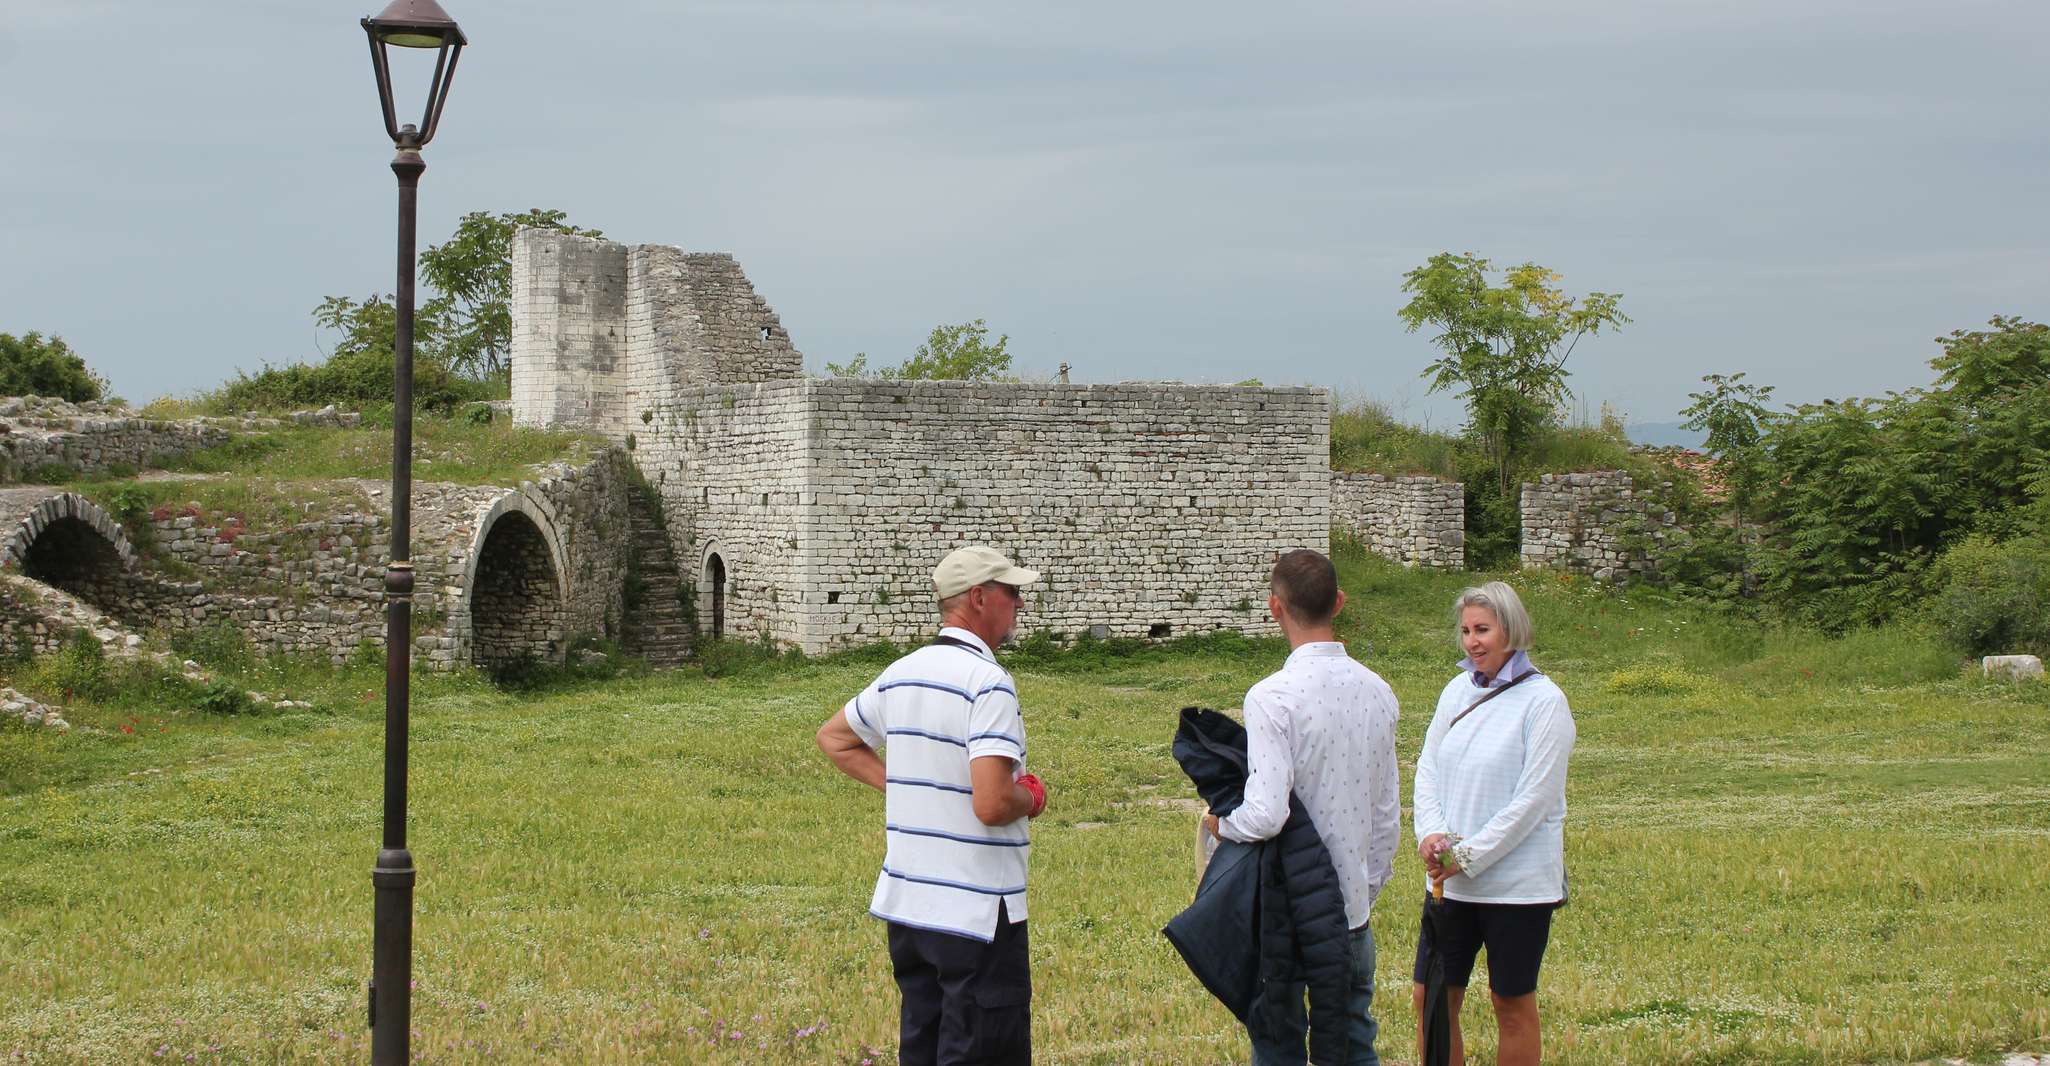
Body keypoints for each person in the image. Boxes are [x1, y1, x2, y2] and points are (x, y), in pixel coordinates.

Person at [815, 545, 1049, 1066]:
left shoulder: (901, 673)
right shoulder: (987, 683)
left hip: (910, 907)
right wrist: (1031, 797)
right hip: (979, 913)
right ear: (979, 598)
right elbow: (991, 803)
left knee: (922, 1047)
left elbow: (835, 739)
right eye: (1012, 592)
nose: (1020, 605)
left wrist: (909, 787)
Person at [1200, 548, 1402, 1065]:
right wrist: (1363, 890)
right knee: (1356, 1040)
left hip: (1284, 912)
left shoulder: (1272, 697)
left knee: (1278, 1042)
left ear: (1274, 608)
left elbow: (1267, 813)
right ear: (1338, 602)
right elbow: (1386, 815)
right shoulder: (1379, 692)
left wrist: (1223, 824)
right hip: (1351, 908)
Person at [1411, 581, 1576, 1066]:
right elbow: (1428, 768)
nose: (1472, 641)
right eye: (1465, 631)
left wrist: (1468, 856)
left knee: (1510, 1003)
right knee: (1432, 998)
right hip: (1449, 884)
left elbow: (1534, 800)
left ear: (1512, 630)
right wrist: (1431, 834)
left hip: (1517, 887)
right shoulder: (1455, 690)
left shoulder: (1545, 702)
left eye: (1483, 629)